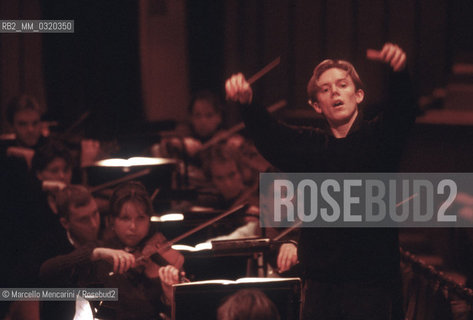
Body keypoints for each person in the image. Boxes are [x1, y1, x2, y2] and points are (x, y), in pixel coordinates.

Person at [225, 43, 417, 319]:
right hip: (320, 285)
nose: (335, 92)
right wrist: (247, 102)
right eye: (325, 90)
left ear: (359, 95)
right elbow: (272, 137)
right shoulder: (311, 146)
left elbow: (403, 112)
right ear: (316, 105)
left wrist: (399, 72)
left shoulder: (379, 138)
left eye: (342, 85)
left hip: (372, 285)